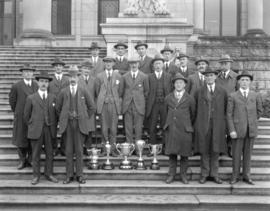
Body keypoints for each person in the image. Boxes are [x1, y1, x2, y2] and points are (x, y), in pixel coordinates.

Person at [56, 65, 96, 184]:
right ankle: (69, 175)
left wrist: (84, 117)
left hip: (79, 125)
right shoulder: (63, 91)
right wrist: (64, 117)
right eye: (71, 76)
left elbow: (92, 107)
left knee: (79, 151)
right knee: (68, 151)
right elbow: (58, 108)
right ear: (68, 78)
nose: (73, 79)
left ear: (79, 78)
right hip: (68, 125)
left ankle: (79, 175)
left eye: (75, 76)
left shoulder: (84, 90)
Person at [227, 70, 263, 185]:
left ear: (250, 82)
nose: (244, 82)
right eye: (242, 80)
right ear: (238, 82)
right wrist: (232, 130)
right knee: (236, 154)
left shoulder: (255, 95)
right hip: (237, 131)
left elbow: (259, 111)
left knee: (248, 155)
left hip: (250, 130)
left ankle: (247, 176)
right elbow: (228, 114)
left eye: (247, 80)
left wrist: (251, 122)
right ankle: (235, 176)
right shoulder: (233, 96)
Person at [23, 70, 58, 185]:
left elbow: (56, 114)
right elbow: (26, 117)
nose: (44, 84)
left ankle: (49, 174)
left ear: (48, 84)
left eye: (46, 82)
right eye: (42, 81)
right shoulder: (31, 98)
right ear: (37, 83)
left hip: (49, 130)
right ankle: (36, 176)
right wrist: (34, 124)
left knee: (49, 153)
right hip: (36, 130)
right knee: (35, 154)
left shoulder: (53, 97)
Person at [194, 67, 227, 184]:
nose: (209, 77)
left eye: (211, 75)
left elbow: (225, 109)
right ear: (204, 77)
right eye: (207, 76)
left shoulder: (222, 91)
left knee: (215, 150)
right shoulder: (199, 91)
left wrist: (224, 126)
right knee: (204, 150)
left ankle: (214, 174)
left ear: (216, 77)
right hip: (203, 125)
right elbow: (194, 109)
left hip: (218, 125)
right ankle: (204, 174)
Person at [164, 73, 195, 184]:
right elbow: (165, 113)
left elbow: (193, 115)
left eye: (181, 82)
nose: (178, 84)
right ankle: (171, 175)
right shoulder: (168, 98)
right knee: (172, 154)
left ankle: (183, 175)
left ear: (185, 85)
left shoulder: (190, 98)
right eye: (176, 83)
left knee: (184, 154)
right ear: (173, 85)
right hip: (172, 129)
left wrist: (187, 125)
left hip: (185, 130)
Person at [9, 64, 38, 170]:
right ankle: (22, 160)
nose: (28, 73)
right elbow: (12, 102)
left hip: (33, 117)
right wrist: (18, 112)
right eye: (25, 71)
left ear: (33, 73)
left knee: (32, 138)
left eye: (30, 72)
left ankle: (30, 159)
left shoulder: (36, 85)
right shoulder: (16, 86)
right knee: (20, 139)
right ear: (22, 73)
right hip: (21, 117)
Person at [95, 57, 124, 156]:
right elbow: (97, 90)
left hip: (114, 104)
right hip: (103, 105)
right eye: (106, 62)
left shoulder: (118, 76)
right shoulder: (99, 76)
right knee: (103, 127)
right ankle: (104, 149)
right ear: (104, 64)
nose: (108, 64)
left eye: (110, 62)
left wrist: (115, 100)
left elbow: (120, 91)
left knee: (113, 128)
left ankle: (113, 149)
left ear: (113, 63)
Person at [146, 55, 171, 149]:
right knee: (152, 126)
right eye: (156, 63)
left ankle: (165, 147)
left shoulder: (168, 76)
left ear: (163, 65)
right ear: (153, 66)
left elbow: (171, 90)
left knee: (165, 125)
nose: (158, 65)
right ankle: (153, 148)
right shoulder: (149, 77)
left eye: (159, 63)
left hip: (164, 104)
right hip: (153, 104)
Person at [122, 57, 149, 144]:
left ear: (139, 64)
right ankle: (129, 148)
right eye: (132, 63)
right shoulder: (125, 76)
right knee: (128, 128)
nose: (134, 65)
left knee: (138, 128)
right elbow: (121, 91)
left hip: (139, 106)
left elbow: (147, 91)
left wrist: (141, 101)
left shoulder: (144, 76)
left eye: (136, 63)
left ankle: (138, 149)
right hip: (127, 105)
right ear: (129, 65)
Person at [216, 54, 238, 157]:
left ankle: (230, 148)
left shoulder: (236, 77)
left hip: (231, 106)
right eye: (222, 63)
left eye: (226, 63)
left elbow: (239, 92)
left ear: (230, 64)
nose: (224, 65)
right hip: (219, 106)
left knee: (230, 126)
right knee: (220, 127)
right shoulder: (217, 77)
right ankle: (221, 147)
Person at [48, 57, 69, 156]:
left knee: (64, 128)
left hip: (64, 108)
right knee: (52, 129)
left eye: (60, 66)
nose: (58, 68)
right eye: (56, 66)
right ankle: (54, 148)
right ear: (54, 68)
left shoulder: (67, 79)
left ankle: (64, 148)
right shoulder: (50, 80)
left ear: (63, 68)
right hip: (52, 108)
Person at [78, 60, 96, 155]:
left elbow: (97, 94)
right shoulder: (77, 80)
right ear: (81, 69)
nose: (86, 70)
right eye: (85, 68)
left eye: (88, 69)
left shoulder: (94, 80)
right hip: (80, 109)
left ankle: (88, 148)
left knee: (89, 130)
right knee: (81, 129)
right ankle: (80, 148)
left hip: (90, 109)